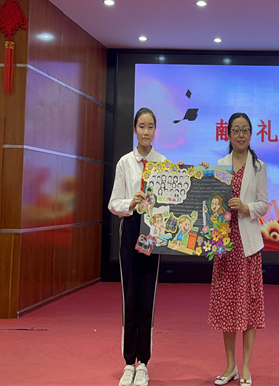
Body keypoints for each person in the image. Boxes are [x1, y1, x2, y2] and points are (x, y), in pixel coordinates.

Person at [208, 112, 269, 386]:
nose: (240, 134)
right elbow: (212, 200)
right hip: (224, 244)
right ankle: (230, 365)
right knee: (227, 306)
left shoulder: (258, 166)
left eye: (245, 130)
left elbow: (263, 204)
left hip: (247, 245)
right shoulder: (220, 165)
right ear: (228, 135)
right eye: (236, 130)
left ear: (251, 134)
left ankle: (246, 367)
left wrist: (245, 207)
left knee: (249, 306)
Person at [108, 107, 165, 386]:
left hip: (153, 234)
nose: (146, 131)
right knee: (129, 298)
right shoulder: (124, 163)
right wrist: (130, 203)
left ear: (155, 130)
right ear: (134, 129)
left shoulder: (163, 164)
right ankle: (128, 363)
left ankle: (144, 363)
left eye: (150, 126)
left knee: (147, 298)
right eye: (141, 126)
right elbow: (113, 203)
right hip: (131, 229)